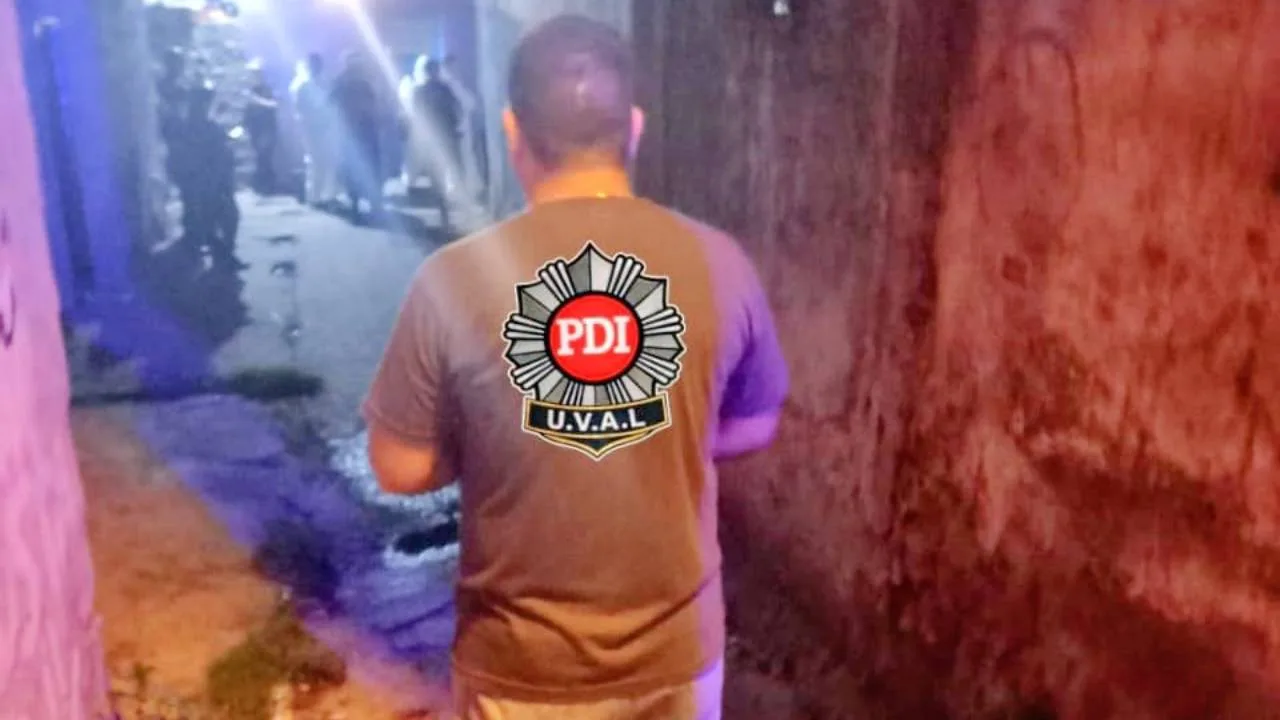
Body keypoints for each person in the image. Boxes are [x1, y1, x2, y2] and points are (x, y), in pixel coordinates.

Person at [362, 14, 788, 720]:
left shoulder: (452, 279)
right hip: (677, 660)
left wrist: (506, 441)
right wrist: (659, 437)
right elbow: (756, 422)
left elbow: (398, 466)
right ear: (635, 129)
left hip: (520, 669)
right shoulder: (720, 261)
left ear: (512, 133)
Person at [172, 83, 244, 271]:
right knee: (211, 220)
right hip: (203, 181)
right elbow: (187, 157)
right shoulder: (188, 128)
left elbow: (222, 148)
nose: (206, 106)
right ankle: (221, 256)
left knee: (227, 217)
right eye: (204, 102)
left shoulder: (206, 126)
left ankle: (224, 254)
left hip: (216, 180)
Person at [332, 52, 386, 221]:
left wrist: (376, 119)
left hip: (366, 130)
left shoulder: (364, 82)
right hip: (350, 132)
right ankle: (355, 204)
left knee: (371, 167)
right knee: (353, 169)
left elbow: (374, 104)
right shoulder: (340, 82)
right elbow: (332, 105)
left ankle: (373, 203)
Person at [291, 53, 338, 208]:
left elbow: (331, 104)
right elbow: (300, 108)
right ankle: (314, 196)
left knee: (329, 160)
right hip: (311, 128)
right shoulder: (303, 85)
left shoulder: (324, 83)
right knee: (315, 161)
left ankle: (328, 194)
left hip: (325, 127)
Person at [412, 58, 463, 199]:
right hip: (442, 131)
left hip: (439, 131)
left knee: (442, 164)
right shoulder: (442, 89)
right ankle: (445, 192)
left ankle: (443, 192)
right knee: (447, 163)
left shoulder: (424, 91)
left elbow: (417, 112)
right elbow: (456, 108)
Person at [244, 66, 281, 195]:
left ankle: (266, 184)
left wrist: (257, 100)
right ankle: (261, 184)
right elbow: (248, 110)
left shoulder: (267, 90)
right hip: (256, 129)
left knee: (265, 156)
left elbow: (274, 104)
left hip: (267, 128)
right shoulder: (251, 92)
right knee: (260, 156)